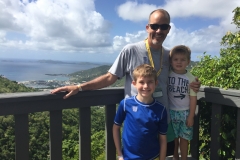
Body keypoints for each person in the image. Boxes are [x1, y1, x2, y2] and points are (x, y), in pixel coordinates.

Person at [51, 9, 200, 156]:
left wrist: (193, 84)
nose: (159, 30)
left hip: (163, 119)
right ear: (147, 27)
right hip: (138, 124)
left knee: (163, 154)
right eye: (154, 26)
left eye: (164, 27)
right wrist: (79, 87)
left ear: (169, 29)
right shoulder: (131, 50)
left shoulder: (170, 55)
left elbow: (180, 75)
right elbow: (110, 77)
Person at [113, 64, 168, 160]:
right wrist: (120, 154)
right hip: (128, 157)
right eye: (141, 82)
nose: (146, 86)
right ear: (134, 84)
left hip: (153, 156)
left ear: (156, 83)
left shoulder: (161, 109)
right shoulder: (126, 104)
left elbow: (163, 139)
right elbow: (115, 128)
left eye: (150, 82)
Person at [168, 45, 197, 160]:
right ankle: (176, 158)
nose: (179, 62)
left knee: (184, 139)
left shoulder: (191, 78)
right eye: (175, 59)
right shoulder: (168, 75)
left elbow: (193, 98)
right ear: (171, 61)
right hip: (171, 112)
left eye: (182, 59)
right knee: (174, 139)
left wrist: (191, 116)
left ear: (188, 62)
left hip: (185, 113)